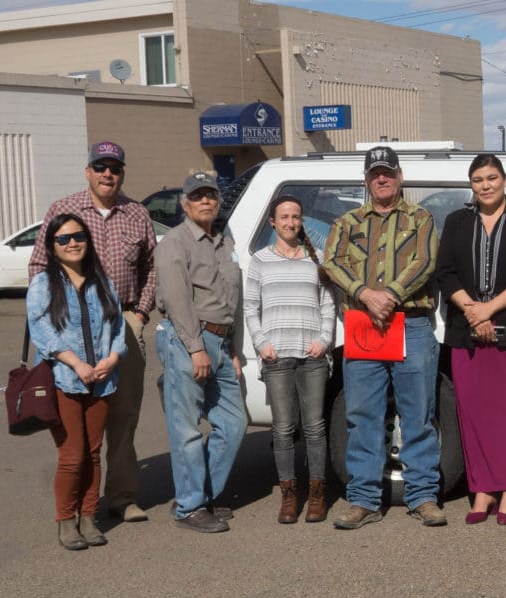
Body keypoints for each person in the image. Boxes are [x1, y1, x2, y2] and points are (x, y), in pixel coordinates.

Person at [29, 141, 157, 524]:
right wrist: (57, 309)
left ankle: (121, 496)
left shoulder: (137, 213)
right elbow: (39, 264)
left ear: (122, 172)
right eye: (100, 167)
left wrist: (140, 313)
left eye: (114, 168)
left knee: (123, 416)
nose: (107, 174)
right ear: (87, 171)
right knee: (75, 432)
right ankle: (75, 509)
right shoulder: (63, 211)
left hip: (121, 329)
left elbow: (151, 267)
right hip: (69, 333)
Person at [323, 146, 448, 529]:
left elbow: (425, 261)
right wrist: (365, 294)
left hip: (409, 322)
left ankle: (423, 496)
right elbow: (331, 261)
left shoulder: (421, 218)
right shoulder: (346, 223)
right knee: (363, 415)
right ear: (366, 179)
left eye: (388, 172)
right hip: (364, 323)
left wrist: (389, 295)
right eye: (375, 173)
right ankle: (363, 500)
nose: (382, 178)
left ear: (400, 177)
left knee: (418, 413)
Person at [436, 154, 506, 525]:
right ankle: (483, 489)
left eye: (491, 178)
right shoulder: (456, 222)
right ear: (471, 185)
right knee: (475, 414)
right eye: (478, 179)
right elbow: (446, 273)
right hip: (465, 333)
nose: (485, 185)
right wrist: (472, 310)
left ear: (504, 180)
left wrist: (489, 310)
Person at [155, 172, 247, 534]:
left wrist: (235, 349)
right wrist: (196, 349)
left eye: (210, 195)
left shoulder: (224, 241)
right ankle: (189, 507)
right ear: (185, 204)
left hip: (222, 343)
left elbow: (234, 299)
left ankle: (202, 494)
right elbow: (178, 302)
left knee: (234, 422)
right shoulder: (174, 243)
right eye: (198, 196)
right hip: (188, 341)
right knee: (187, 429)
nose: (206, 201)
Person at [28, 214, 126, 550]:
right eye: (64, 239)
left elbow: (118, 327)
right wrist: (77, 363)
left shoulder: (102, 281)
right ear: (53, 247)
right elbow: (43, 332)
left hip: (101, 380)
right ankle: (66, 521)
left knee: (94, 454)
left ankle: (89, 516)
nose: (73, 243)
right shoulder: (43, 283)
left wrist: (111, 359)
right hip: (63, 380)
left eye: (78, 236)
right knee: (73, 455)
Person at [243, 195, 336, 524]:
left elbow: (328, 304)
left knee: (314, 427)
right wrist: (261, 342)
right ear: (273, 222)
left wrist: (324, 340)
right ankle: (288, 495)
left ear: (302, 221)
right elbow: (250, 308)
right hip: (276, 355)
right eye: (283, 217)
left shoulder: (317, 258)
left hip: (311, 356)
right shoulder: (260, 261)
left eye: (295, 216)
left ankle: (317, 494)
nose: (290, 222)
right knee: (283, 429)